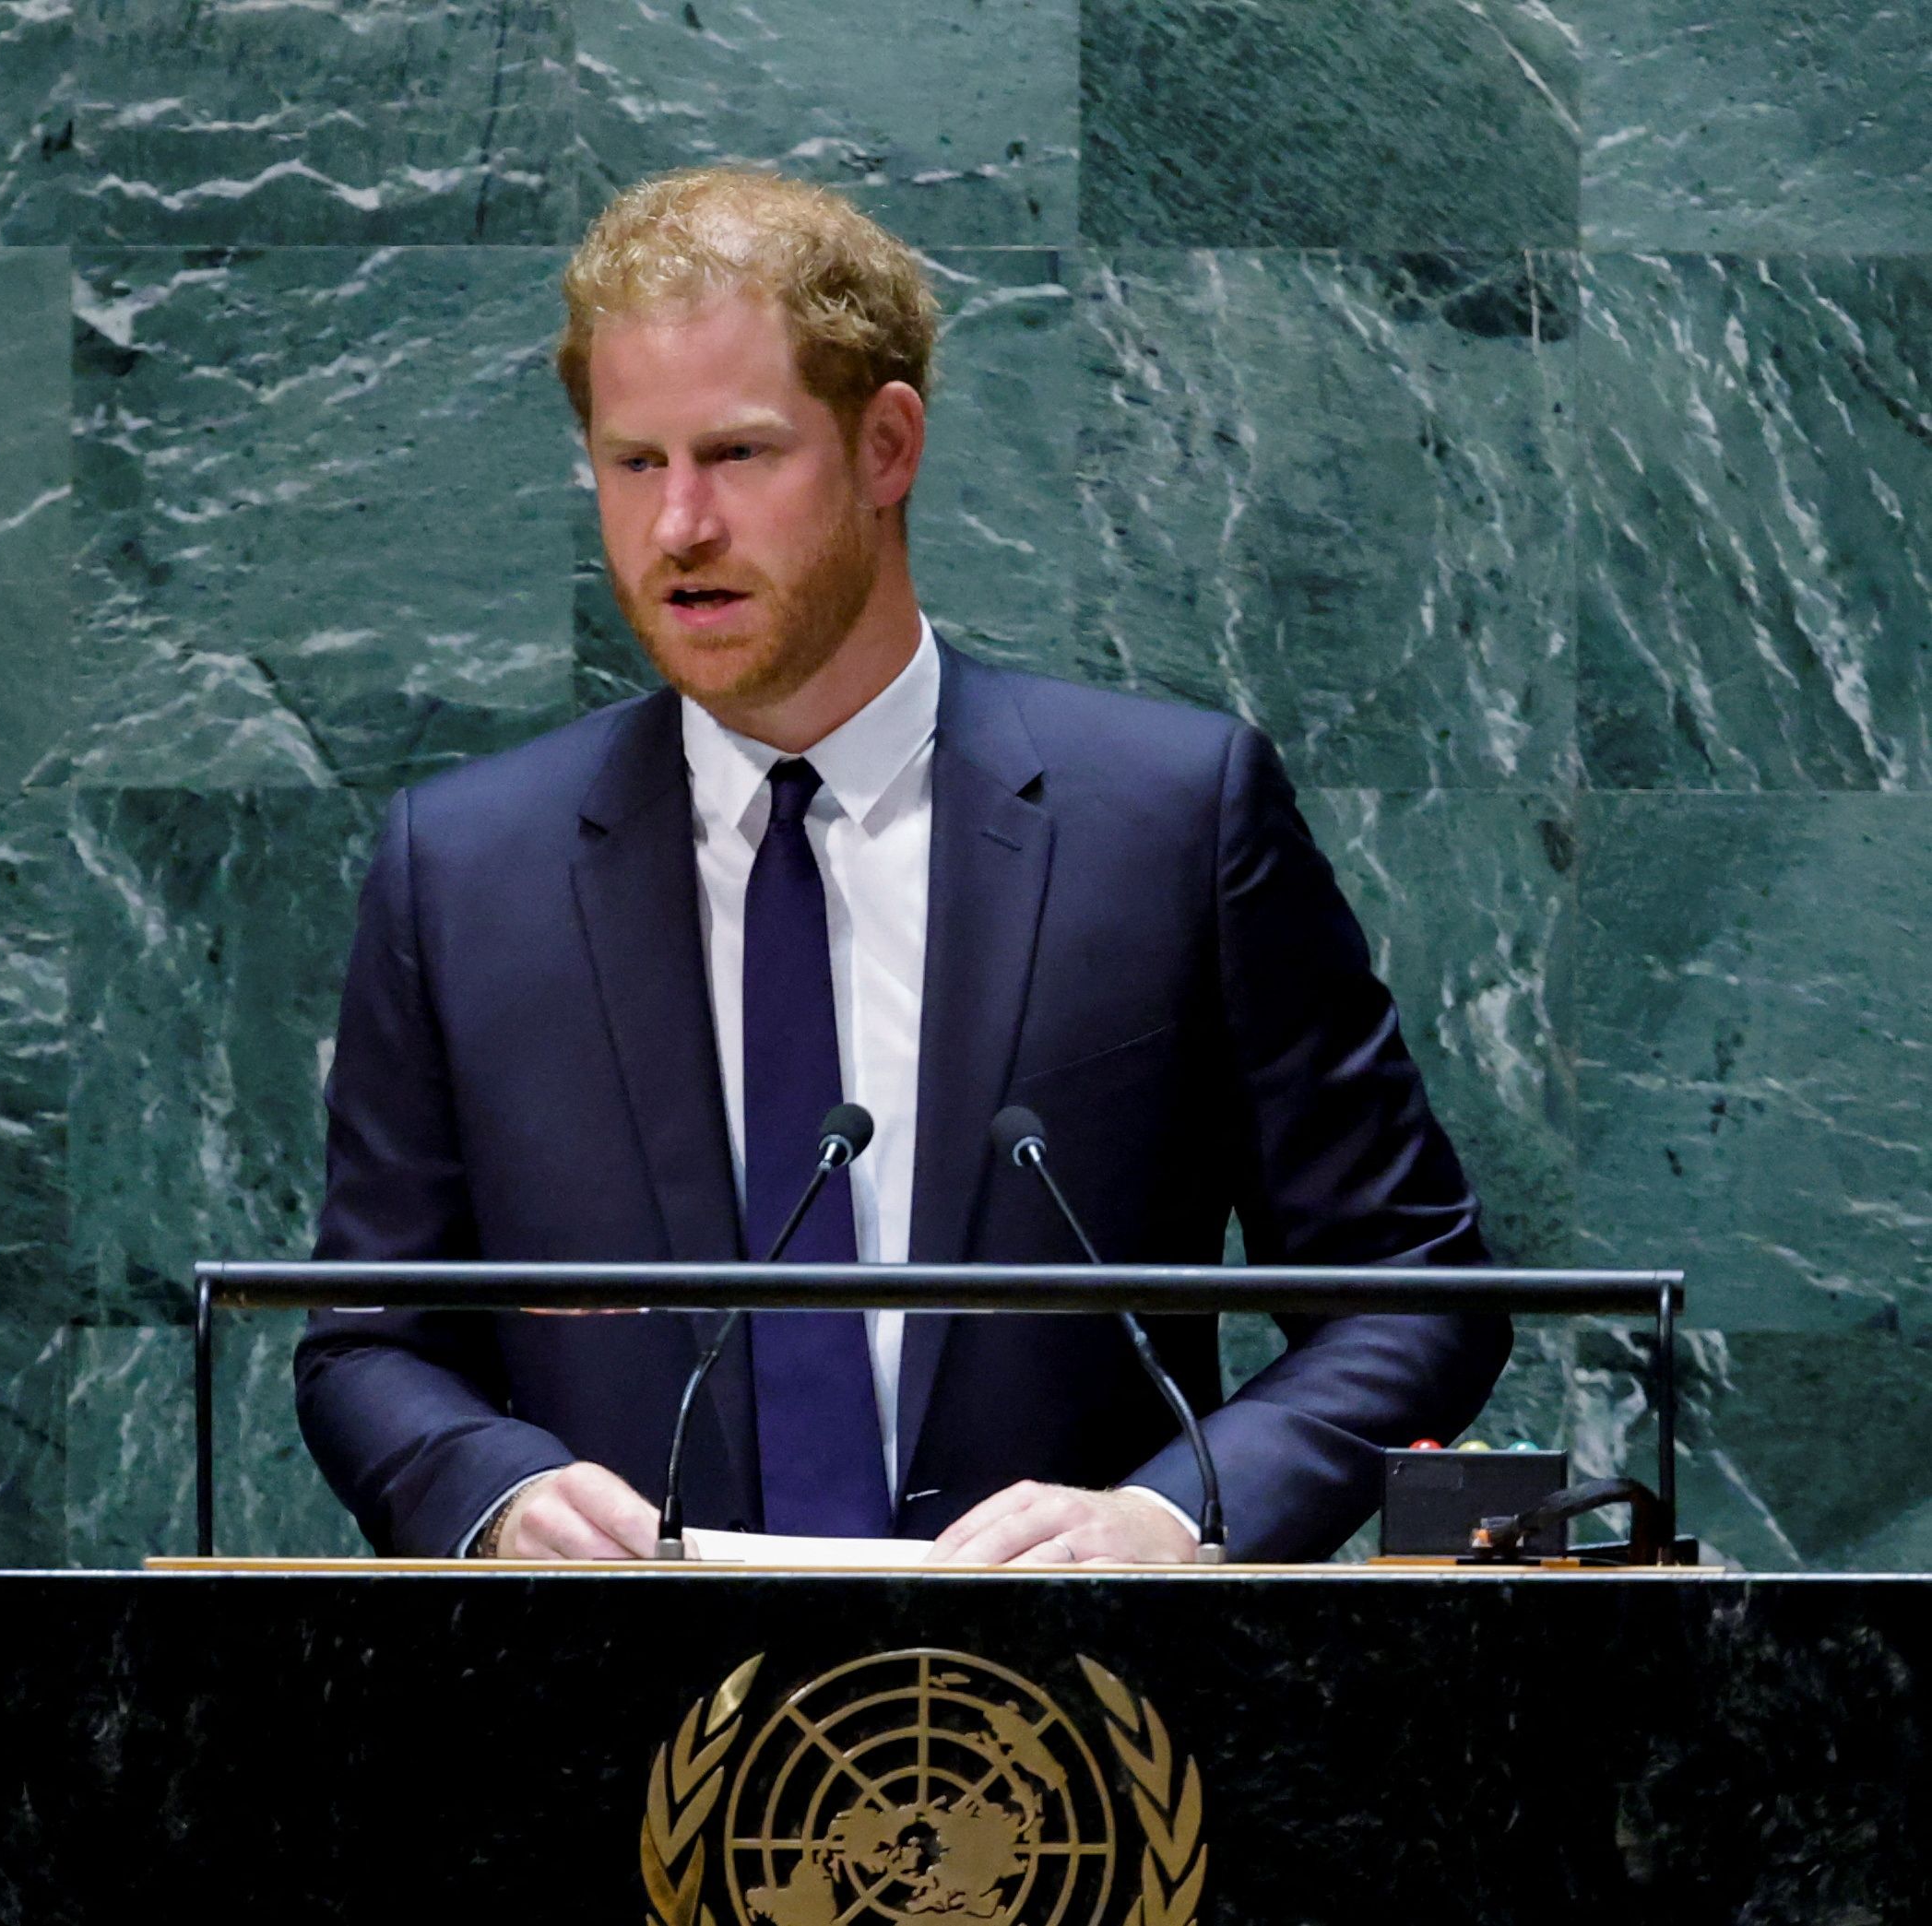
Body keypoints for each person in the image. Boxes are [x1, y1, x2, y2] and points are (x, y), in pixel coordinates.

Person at [291, 168, 1507, 1566]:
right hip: (615, 1723)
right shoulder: (462, 872)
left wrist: (1176, 1512)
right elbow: (367, 1341)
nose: (678, 524)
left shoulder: (1169, 820)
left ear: (884, 447)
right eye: (634, 462)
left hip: (1078, 1725)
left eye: (738, 455)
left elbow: (1410, 1293)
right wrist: (488, 1487)